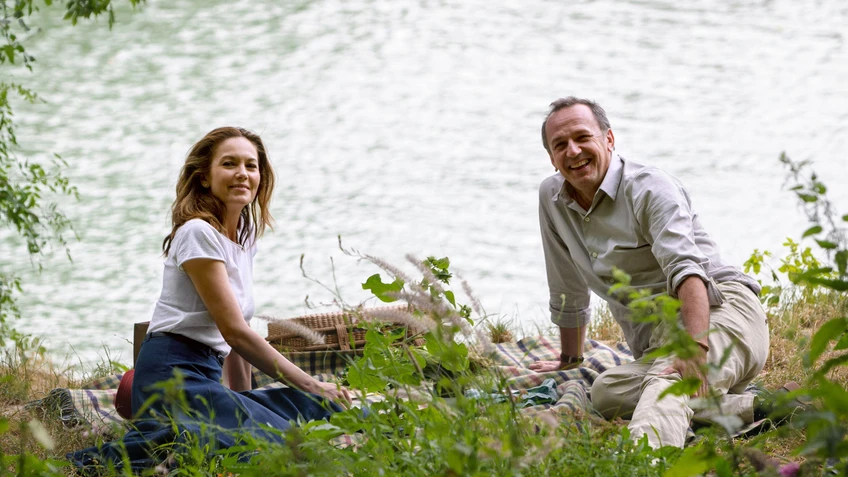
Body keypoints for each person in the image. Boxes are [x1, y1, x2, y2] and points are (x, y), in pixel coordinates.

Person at [68, 127, 351, 471]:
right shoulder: (197, 233)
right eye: (229, 164)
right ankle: (136, 450)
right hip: (172, 376)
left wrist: (244, 400)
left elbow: (237, 334)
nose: (242, 174)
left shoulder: (243, 240)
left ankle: (183, 433)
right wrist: (311, 382)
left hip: (206, 374)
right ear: (204, 177)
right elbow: (234, 332)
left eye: (251, 165)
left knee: (318, 410)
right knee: (280, 445)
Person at [527, 97, 770, 448]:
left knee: (669, 379)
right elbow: (566, 282)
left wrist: (695, 346)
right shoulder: (551, 198)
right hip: (658, 340)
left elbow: (688, 273)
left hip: (721, 310)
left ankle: (646, 463)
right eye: (560, 145)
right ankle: (759, 407)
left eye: (583, 137)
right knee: (606, 393)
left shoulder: (651, 188)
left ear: (609, 139)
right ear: (551, 157)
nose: (573, 151)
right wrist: (569, 359)